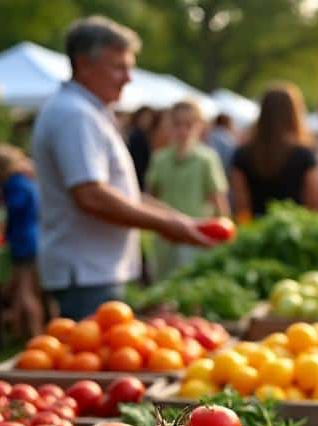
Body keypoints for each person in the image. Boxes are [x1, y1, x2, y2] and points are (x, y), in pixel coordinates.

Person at [31, 16, 210, 320]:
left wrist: (175, 219)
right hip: (88, 272)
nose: (128, 78)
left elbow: (120, 193)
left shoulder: (88, 112)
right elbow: (91, 195)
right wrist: (166, 225)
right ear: (84, 65)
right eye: (118, 67)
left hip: (96, 269)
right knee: (94, 361)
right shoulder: (76, 116)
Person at [146, 101, 228, 280]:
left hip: (198, 236)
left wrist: (225, 232)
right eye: (177, 125)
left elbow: (217, 199)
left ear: (199, 127)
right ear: (169, 126)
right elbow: (151, 197)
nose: (183, 131)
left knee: (194, 284)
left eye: (188, 125)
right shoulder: (160, 159)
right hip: (165, 238)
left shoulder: (207, 159)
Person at [0, 144, 44, 337]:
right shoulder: (24, 181)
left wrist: (0, 228)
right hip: (31, 238)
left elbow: (14, 211)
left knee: (25, 292)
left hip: (23, 241)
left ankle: (36, 334)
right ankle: (21, 331)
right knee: (25, 289)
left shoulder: (16, 186)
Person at [231, 82, 318, 217]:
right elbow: (312, 200)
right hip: (294, 229)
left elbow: (241, 202)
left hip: (255, 230)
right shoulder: (304, 154)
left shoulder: (243, 153)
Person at [126, 106, 157, 187]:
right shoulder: (136, 137)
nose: (146, 120)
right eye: (144, 117)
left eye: (149, 118)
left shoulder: (146, 136)